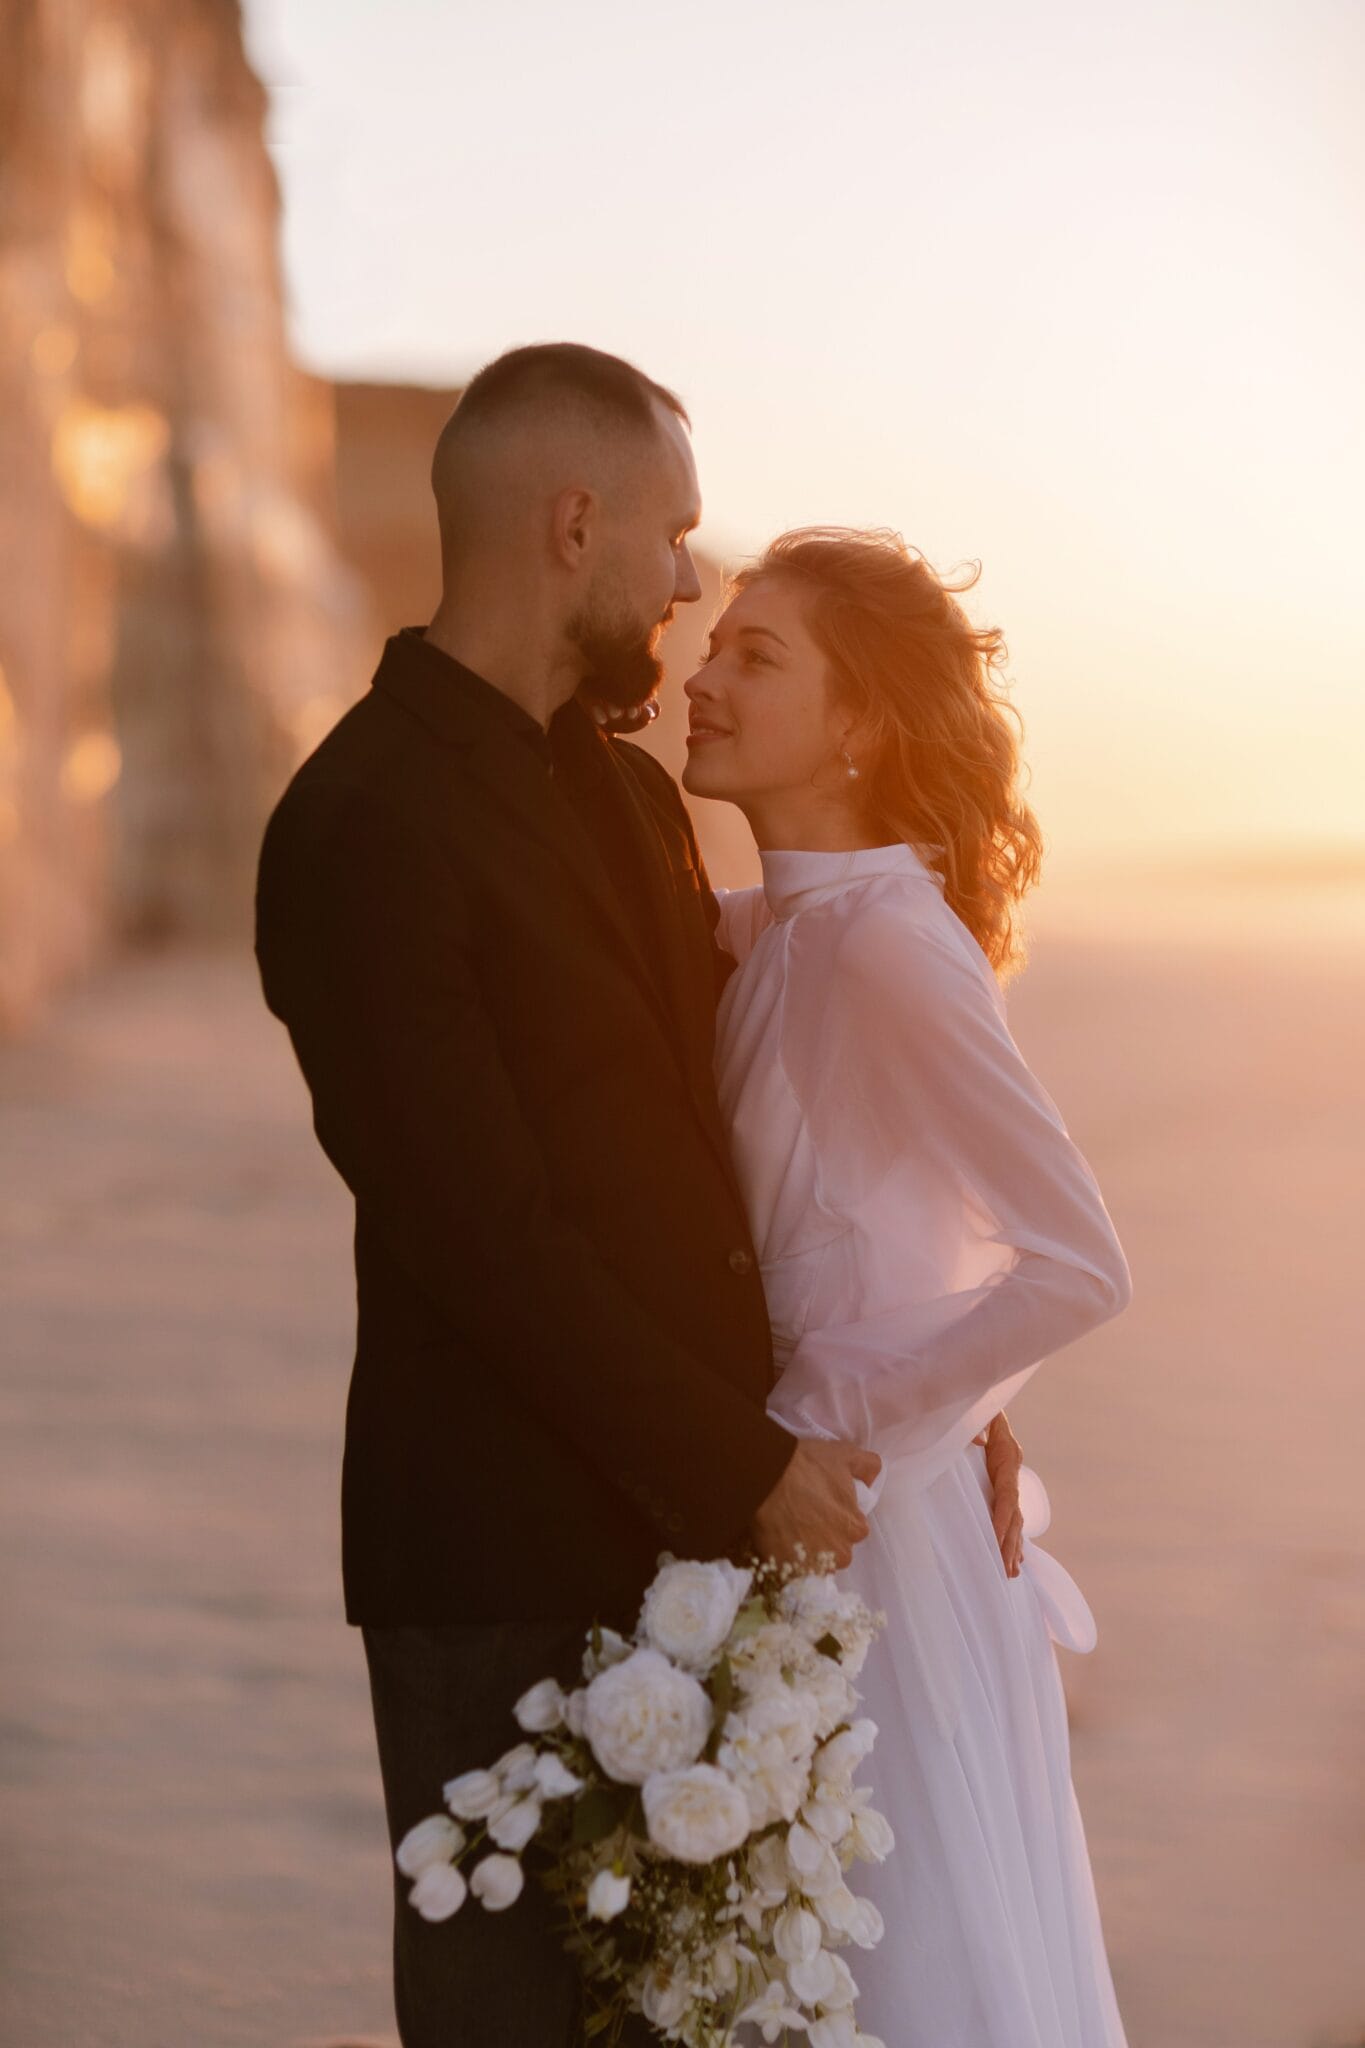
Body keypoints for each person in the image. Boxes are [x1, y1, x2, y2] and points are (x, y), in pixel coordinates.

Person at [252, 345, 883, 2048]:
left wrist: (919, 1388)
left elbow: (725, 1139)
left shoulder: (625, 792)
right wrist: (742, 1462)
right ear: (574, 524)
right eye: (670, 537)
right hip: (496, 1553)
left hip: (689, 1537)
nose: (687, 580)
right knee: (510, 2020)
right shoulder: (359, 823)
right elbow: (482, 1240)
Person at [683, 527, 1133, 2048]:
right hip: (807, 1515)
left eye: (758, 656)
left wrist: (829, 1417)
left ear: (861, 723)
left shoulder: (884, 943)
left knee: (886, 1974)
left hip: (863, 1538)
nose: (703, 673)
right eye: (715, 642)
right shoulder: (787, 927)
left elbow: (1076, 1262)